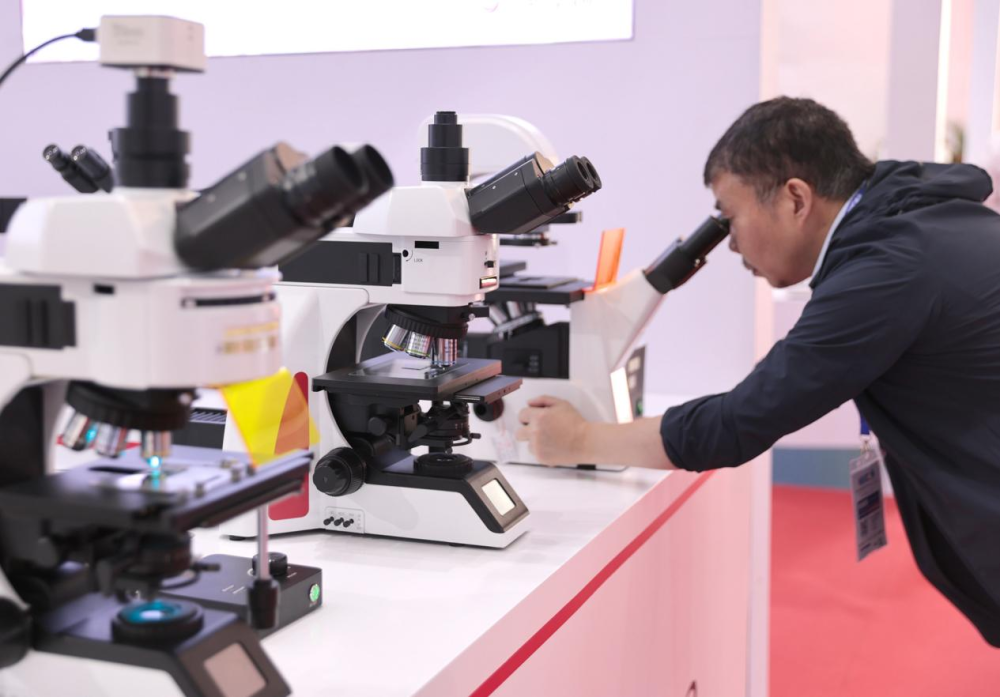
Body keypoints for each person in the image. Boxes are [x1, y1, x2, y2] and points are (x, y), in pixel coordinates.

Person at [515, 96, 1000, 646]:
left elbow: (740, 421)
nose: (730, 243)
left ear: (795, 198)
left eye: (730, 217)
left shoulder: (887, 271)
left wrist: (577, 438)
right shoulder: (920, 223)